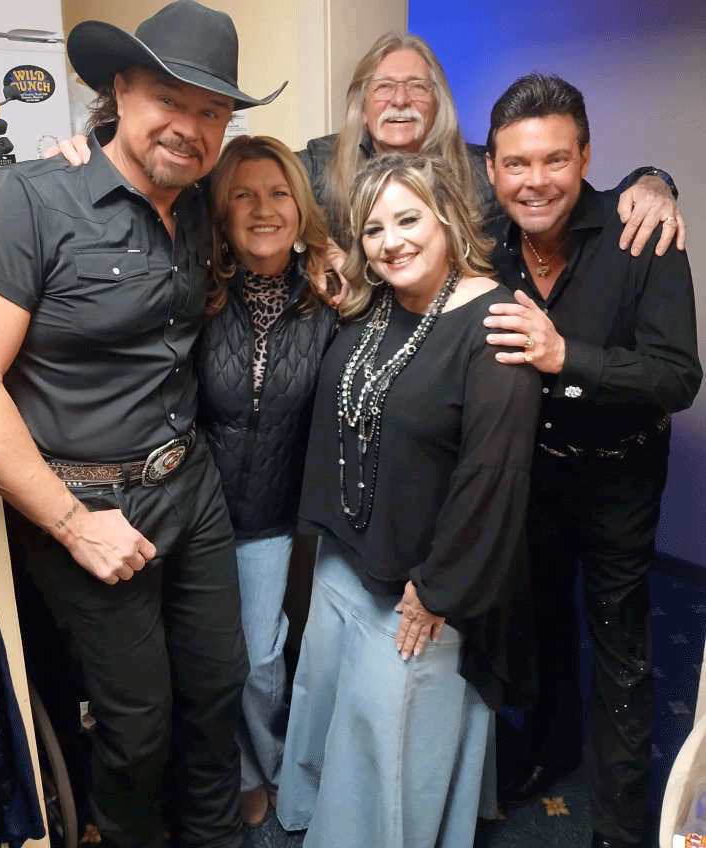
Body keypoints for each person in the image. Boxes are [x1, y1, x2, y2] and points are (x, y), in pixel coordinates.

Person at [0, 2, 286, 847]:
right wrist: (74, 525)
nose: (191, 126)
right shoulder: (21, 200)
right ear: (120, 90)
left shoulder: (203, 203)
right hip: (87, 505)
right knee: (137, 728)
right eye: (170, 99)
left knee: (219, 691)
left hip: (193, 487)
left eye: (213, 111)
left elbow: (317, 174)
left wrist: (650, 181)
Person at [276, 152, 541, 848]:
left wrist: (437, 589)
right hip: (349, 558)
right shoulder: (375, 306)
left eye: (406, 219)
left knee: (388, 744)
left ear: (448, 217)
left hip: (424, 588)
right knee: (328, 708)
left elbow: (495, 478)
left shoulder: (497, 323)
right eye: (372, 229)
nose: (390, 240)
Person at [482, 73, 701, 848]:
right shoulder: (485, 241)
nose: (535, 181)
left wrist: (564, 355)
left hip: (620, 477)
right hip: (531, 475)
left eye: (554, 160)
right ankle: (548, 755)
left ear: (585, 158)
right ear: (491, 168)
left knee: (619, 644)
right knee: (536, 626)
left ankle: (615, 822)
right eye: (516, 163)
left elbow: (678, 377)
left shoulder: (644, 234)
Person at [198, 135, 336, 829]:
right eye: (242, 195)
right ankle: (233, 773)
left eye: (278, 193)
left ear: (300, 206)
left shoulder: (329, 299)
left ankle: (267, 764)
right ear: (220, 213)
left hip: (272, 517)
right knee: (199, 663)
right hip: (191, 512)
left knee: (259, 660)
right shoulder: (197, 292)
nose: (262, 209)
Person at [296, 32, 685, 259]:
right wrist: (317, 252)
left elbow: (571, 201)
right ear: (362, 106)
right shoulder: (319, 162)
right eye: (383, 87)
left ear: (438, 103)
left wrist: (652, 181)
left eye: (417, 87)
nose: (400, 100)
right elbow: (252, 196)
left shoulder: (483, 171)